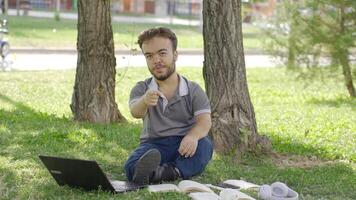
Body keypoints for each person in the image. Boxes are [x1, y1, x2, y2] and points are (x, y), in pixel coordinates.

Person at [124, 27, 213, 185]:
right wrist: (144, 101)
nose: (156, 60)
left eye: (162, 53)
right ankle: (163, 172)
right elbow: (135, 112)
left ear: (175, 55)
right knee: (130, 166)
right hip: (154, 145)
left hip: (185, 143)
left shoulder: (193, 90)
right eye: (149, 56)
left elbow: (204, 122)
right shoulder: (142, 88)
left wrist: (192, 136)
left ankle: (169, 172)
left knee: (205, 146)